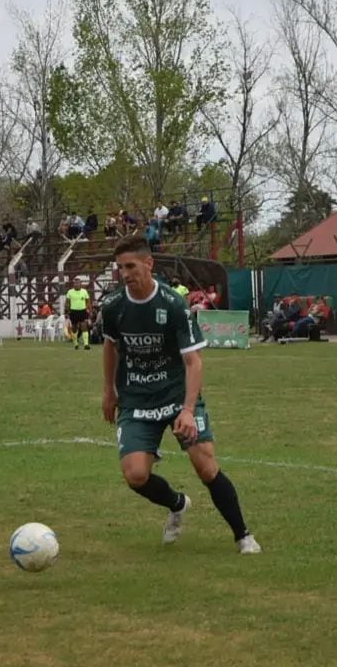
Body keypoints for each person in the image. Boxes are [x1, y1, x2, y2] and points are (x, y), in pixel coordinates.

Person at [100, 235, 260, 554]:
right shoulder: (113, 306)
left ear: (149, 264)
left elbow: (193, 360)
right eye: (120, 268)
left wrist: (187, 410)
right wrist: (109, 390)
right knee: (135, 475)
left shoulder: (173, 304)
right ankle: (177, 504)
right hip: (136, 399)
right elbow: (110, 347)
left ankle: (243, 536)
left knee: (205, 465)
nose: (125, 273)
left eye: (131, 266)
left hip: (176, 396)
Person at [66, 277, 92, 351]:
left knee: (84, 327)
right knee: (74, 328)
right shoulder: (70, 292)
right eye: (75, 283)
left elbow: (88, 301)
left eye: (78, 283)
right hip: (73, 311)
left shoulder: (84, 291)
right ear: (73, 284)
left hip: (82, 311)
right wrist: (67, 311)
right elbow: (67, 302)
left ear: (80, 284)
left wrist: (88, 309)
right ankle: (75, 343)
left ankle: (86, 344)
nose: (76, 284)